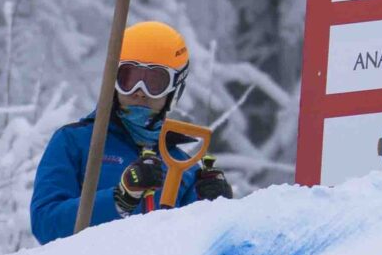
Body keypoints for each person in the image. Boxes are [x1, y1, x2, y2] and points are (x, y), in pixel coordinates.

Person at [30, 21, 233, 242]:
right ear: (113, 81)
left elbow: (196, 246)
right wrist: (120, 199)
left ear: (175, 90)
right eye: (129, 78)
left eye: (155, 82)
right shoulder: (74, 142)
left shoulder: (183, 168)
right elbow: (45, 224)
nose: (140, 92)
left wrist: (212, 209)